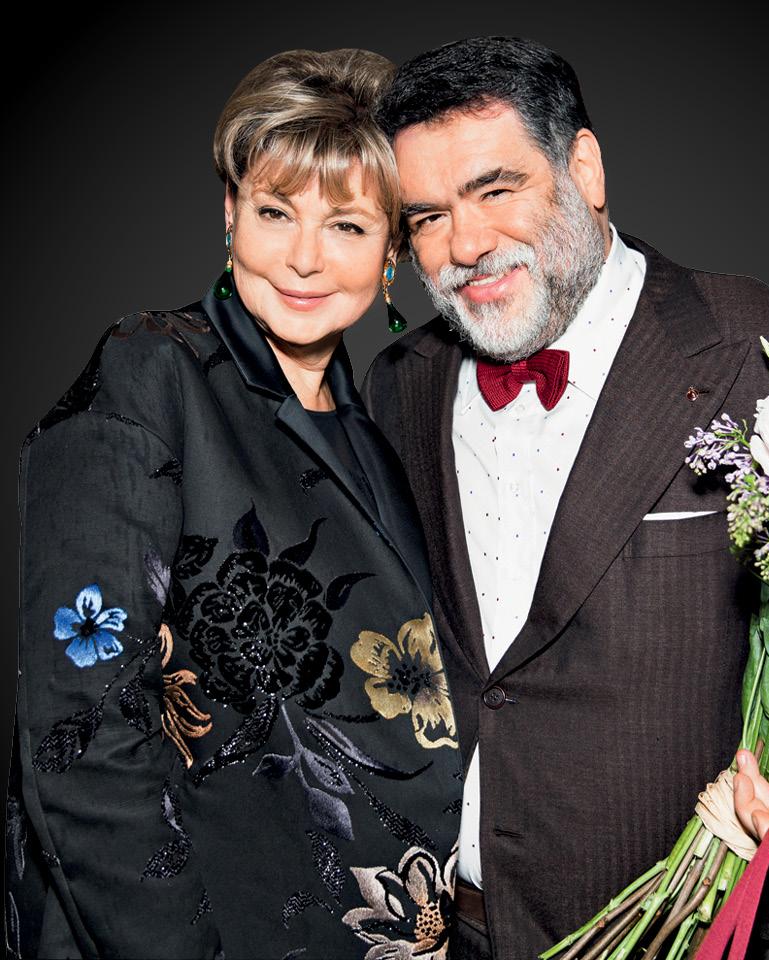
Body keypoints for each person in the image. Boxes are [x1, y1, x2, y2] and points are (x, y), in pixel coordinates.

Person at [361, 37, 769, 960]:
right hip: (449, 934)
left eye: (497, 189)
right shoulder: (397, 384)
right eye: (428, 217)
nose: (466, 246)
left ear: (585, 169)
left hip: (695, 934)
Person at [6, 49, 461, 959]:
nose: (304, 258)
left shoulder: (381, 426)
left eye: (346, 225)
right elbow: (78, 737)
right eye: (274, 212)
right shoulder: (150, 374)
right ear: (229, 212)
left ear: (392, 252)